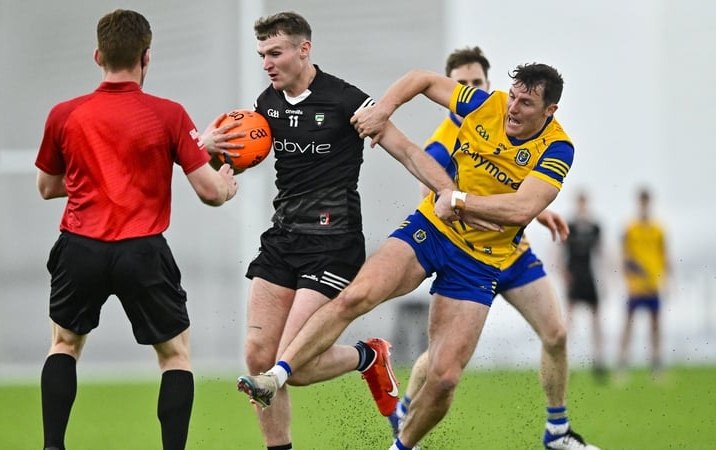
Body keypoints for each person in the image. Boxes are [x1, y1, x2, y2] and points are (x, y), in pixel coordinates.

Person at [238, 61, 584, 450]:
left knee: (445, 377)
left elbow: (522, 207)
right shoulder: (485, 105)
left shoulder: (557, 146)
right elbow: (420, 83)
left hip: (482, 260)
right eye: (514, 97)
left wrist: (460, 200)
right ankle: (277, 376)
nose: (513, 109)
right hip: (431, 233)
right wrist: (383, 110)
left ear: (549, 110)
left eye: (526, 103)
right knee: (357, 295)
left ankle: (403, 446)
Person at [233, 12, 467, 450]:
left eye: (275, 52)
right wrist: (217, 158)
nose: (267, 62)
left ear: (304, 49)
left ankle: (367, 356)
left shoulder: (346, 101)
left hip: (333, 243)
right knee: (258, 358)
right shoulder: (265, 105)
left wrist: (449, 192)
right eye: (262, 54)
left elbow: (407, 151)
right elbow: (237, 158)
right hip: (283, 238)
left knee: (293, 365)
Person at [35, 9, 238, 450]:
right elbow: (209, 193)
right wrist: (226, 185)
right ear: (147, 57)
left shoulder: (65, 114)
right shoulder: (168, 115)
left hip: (80, 247)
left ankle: (53, 446)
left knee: (64, 346)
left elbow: (47, 188)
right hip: (142, 250)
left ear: (97, 56)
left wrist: (92, 172)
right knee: (175, 356)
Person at [387, 46, 597, 450]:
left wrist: (534, 213)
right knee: (440, 361)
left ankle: (557, 431)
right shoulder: (446, 138)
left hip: (514, 256)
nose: (469, 89)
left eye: (476, 83)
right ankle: (406, 409)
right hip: (467, 259)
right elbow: (432, 193)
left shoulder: (503, 118)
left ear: (487, 83)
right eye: (461, 83)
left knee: (555, 333)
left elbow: (507, 182)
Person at [617, 187, 669, 380]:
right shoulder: (630, 228)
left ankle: (656, 367)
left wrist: (667, 281)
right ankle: (622, 366)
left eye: (647, 202)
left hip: (653, 285)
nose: (644, 205)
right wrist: (627, 279)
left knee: (655, 326)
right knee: (628, 325)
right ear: (638, 203)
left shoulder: (658, 229)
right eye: (642, 202)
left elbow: (664, 256)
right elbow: (624, 257)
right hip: (636, 286)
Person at [563, 190, 605, 382]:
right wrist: (563, 274)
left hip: (589, 277)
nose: (582, 206)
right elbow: (558, 251)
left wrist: (607, 278)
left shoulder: (595, 227)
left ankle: (598, 360)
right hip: (574, 277)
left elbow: (602, 252)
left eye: (584, 203)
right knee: (570, 321)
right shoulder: (568, 226)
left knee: (595, 320)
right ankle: (564, 361)